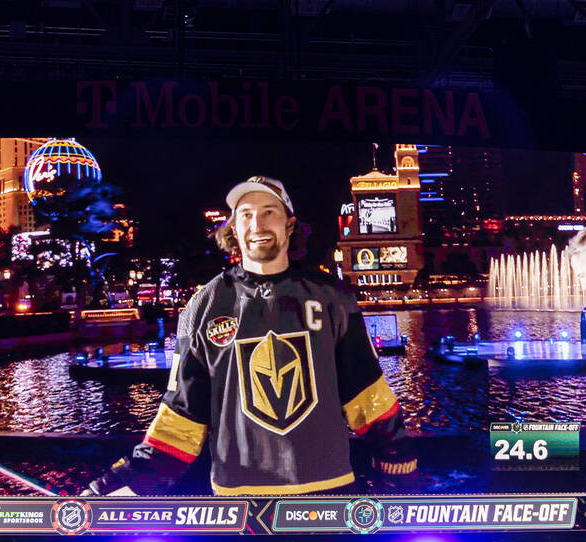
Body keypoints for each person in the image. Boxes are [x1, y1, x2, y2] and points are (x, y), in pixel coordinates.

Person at [86, 176, 415, 497]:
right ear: (233, 228)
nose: (257, 224)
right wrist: (117, 486)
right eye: (246, 215)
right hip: (238, 503)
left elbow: (367, 395)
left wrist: (398, 463)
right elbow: (181, 418)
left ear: (289, 224)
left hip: (329, 494)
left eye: (269, 212)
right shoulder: (204, 306)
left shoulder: (332, 296)